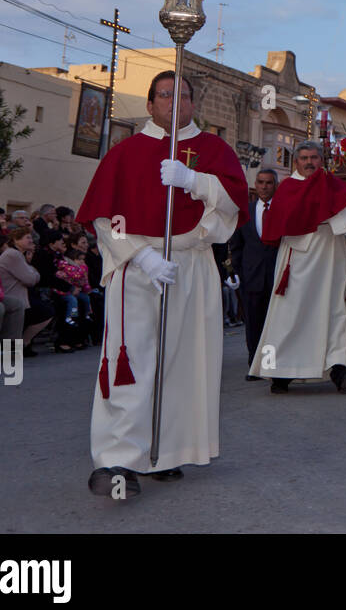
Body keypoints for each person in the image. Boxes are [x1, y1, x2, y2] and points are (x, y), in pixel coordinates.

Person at [76, 70, 247, 497]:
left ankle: (164, 451)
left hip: (191, 262)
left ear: (193, 105)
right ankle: (116, 460)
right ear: (151, 104)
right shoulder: (126, 152)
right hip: (137, 266)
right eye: (166, 95)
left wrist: (195, 181)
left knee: (184, 362)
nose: (175, 102)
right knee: (130, 361)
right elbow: (103, 218)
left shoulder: (212, 150)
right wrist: (142, 255)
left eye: (184, 95)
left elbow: (231, 205)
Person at [249, 143, 346, 394]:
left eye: (314, 158)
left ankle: (337, 367)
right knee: (290, 313)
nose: (310, 162)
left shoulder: (332, 184)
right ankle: (280, 371)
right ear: (295, 162)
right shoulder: (287, 188)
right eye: (305, 158)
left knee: (332, 310)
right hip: (297, 258)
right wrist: (322, 216)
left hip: (329, 253)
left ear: (322, 160)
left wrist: (330, 218)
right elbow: (283, 220)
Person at [228, 168, 280, 380]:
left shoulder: (282, 210)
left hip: (277, 278)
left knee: (273, 325)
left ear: (275, 185)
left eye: (268, 182)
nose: (264, 186)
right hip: (252, 279)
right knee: (254, 324)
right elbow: (237, 245)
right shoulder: (246, 212)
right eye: (260, 182)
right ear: (255, 185)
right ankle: (254, 366)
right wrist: (240, 272)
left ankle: (269, 365)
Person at [0, 227, 49, 356]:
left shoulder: (19, 255)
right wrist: (33, 271)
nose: (31, 240)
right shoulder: (13, 254)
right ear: (16, 240)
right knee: (46, 312)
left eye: (31, 237)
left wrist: (31, 270)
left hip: (21, 294)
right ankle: (23, 343)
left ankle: (24, 343)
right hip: (12, 295)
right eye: (27, 237)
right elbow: (30, 279)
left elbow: (31, 276)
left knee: (46, 310)